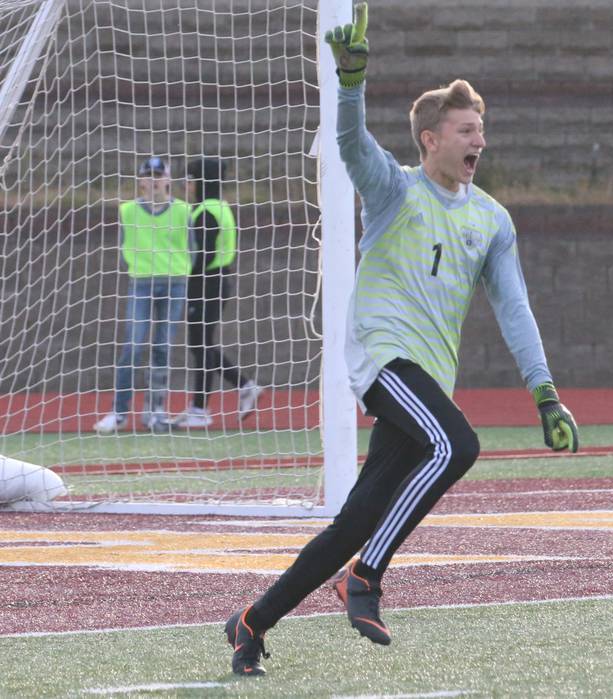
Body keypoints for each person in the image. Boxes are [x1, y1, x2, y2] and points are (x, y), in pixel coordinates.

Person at [224, 2, 579, 676]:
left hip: (425, 380)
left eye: (483, 130)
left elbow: (516, 308)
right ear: (430, 140)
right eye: (466, 130)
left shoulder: (492, 220)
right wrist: (352, 81)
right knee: (459, 444)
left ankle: (252, 621)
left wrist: (546, 394)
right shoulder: (393, 190)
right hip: (384, 359)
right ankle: (367, 578)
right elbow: (352, 144)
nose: (479, 141)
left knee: (353, 520)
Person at [94, 157, 192, 434]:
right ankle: (119, 411)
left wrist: (179, 270)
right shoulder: (128, 211)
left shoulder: (183, 211)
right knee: (133, 346)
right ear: (140, 180)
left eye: (158, 175)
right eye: (148, 175)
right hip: (141, 284)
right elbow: (125, 244)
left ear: (168, 179)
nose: (153, 180)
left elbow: (192, 247)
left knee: (162, 348)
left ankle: (155, 411)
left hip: (174, 284)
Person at [168, 157, 262, 428]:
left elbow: (204, 255)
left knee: (201, 344)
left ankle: (205, 406)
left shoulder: (206, 212)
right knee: (201, 344)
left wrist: (184, 271)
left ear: (202, 181)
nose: (186, 184)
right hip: (217, 280)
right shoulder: (219, 207)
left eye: (190, 178)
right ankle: (235, 390)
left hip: (207, 282)